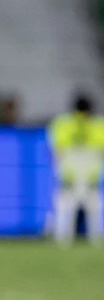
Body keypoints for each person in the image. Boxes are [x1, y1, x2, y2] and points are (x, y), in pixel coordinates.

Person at [46, 94, 104, 245]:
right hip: (91, 179)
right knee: (95, 215)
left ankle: (62, 245)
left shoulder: (62, 124)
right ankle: (95, 244)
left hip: (68, 179)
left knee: (64, 214)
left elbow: (56, 152)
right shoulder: (99, 125)